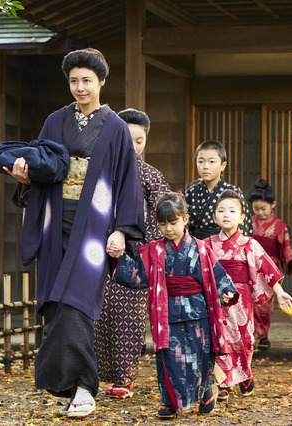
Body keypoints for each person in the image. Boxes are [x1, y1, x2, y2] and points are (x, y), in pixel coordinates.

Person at [3, 48, 145, 418]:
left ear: (101, 81)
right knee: (55, 301)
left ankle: (84, 386)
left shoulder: (114, 127)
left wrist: (123, 230)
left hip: (95, 228)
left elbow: (128, 183)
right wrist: (24, 177)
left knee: (78, 303)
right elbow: (42, 168)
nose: (80, 87)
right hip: (54, 220)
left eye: (87, 80)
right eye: (73, 81)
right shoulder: (54, 121)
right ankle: (69, 384)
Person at [112, 192, 239, 418]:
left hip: (198, 312)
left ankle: (206, 389)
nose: (168, 229)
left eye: (173, 223)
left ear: (186, 219)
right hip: (167, 313)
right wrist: (118, 258)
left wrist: (226, 290)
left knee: (198, 357)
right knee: (170, 358)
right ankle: (169, 401)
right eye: (162, 224)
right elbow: (137, 275)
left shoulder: (201, 248)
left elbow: (216, 274)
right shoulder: (154, 250)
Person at [94, 108, 170, 399]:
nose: (134, 146)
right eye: (128, 139)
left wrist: (142, 249)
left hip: (137, 259)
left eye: (139, 141)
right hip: (99, 253)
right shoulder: (100, 171)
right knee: (100, 315)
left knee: (130, 317)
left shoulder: (151, 175)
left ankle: (124, 378)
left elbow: (164, 218)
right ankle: (102, 374)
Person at [203, 190, 292, 401]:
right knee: (220, 338)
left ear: (242, 217)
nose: (226, 214)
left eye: (232, 210)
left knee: (244, 339)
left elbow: (266, 269)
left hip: (241, 298)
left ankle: (244, 373)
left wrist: (279, 292)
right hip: (216, 298)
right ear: (214, 217)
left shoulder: (249, 244)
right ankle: (223, 381)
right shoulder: (207, 244)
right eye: (221, 211)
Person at [247, 179, 292, 349]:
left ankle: (263, 334)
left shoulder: (279, 226)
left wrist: (287, 262)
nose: (259, 212)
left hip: (269, 269)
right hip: (250, 267)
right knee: (250, 302)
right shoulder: (247, 223)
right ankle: (251, 335)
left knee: (264, 304)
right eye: (255, 209)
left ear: (273, 204)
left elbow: (285, 245)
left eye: (263, 208)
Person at [185, 140, 253, 240]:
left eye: (212, 162)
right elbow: (183, 226)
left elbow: (244, 227)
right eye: (200, 161)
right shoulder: (190, 192)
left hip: (226, 248)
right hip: (196, 249)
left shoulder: (234, 193)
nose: (205, 166)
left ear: (223, 165)